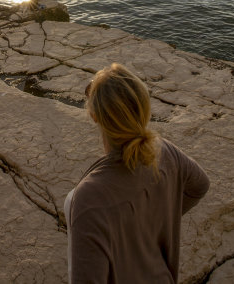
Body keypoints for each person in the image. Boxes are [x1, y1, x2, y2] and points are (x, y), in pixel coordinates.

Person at [64, 63, 210, 284]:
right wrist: (156, 219)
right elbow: (201, 185)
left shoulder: (89, 197)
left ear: (94, 115)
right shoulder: (166, 152)